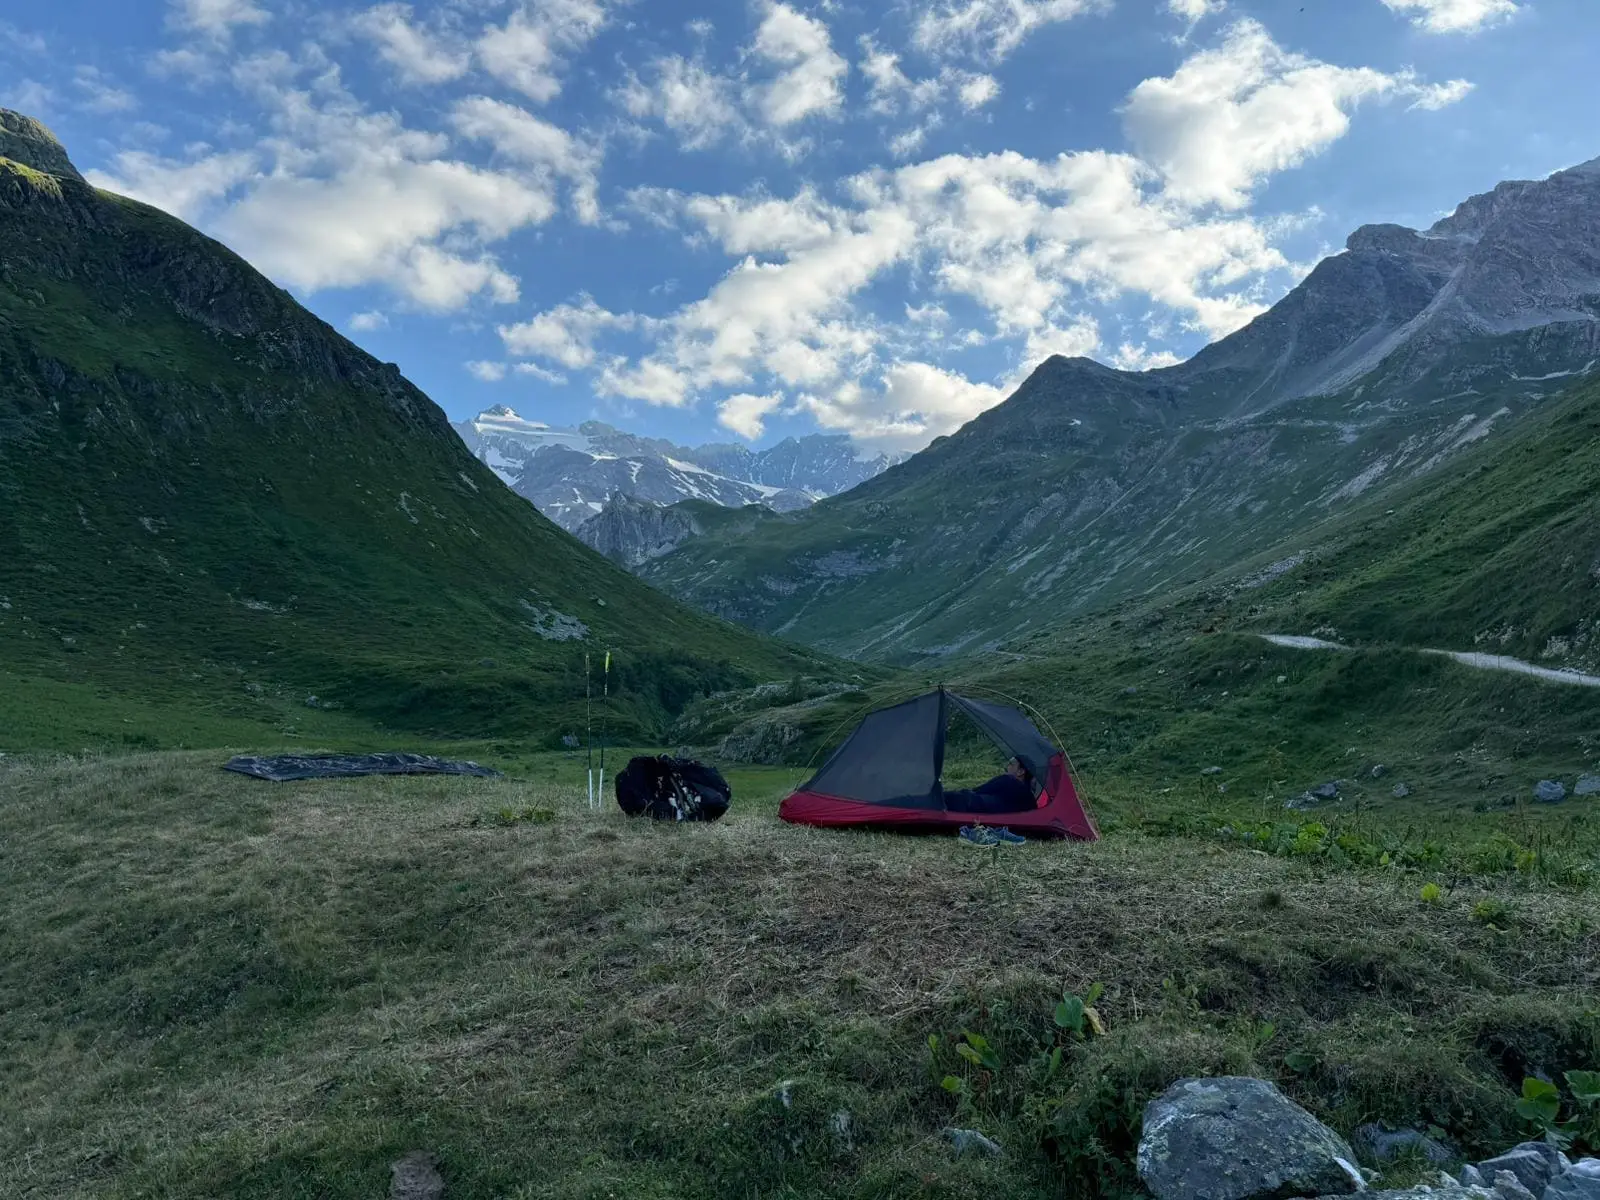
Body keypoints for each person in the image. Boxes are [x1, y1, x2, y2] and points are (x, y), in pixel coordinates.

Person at [947, 757, 1037, 814]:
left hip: (971, 805)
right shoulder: (1030, 800)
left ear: (1020, 771)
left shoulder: (1009, 780)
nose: (1006, 767)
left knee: (954, 797)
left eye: (1011, 764)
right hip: (982, 808)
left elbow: (978, 790)